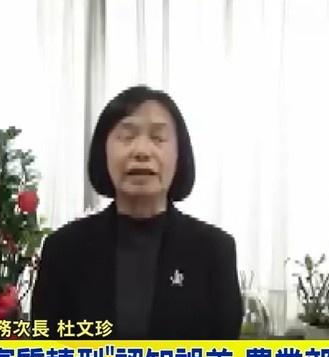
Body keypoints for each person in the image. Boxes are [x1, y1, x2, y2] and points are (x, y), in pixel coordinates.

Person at [31, 85, 242, 340]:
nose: (142, 151)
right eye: (127, 136)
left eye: (158, 138)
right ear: (103, 151)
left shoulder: (215, 251)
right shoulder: (63, 250)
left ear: (179, 154)